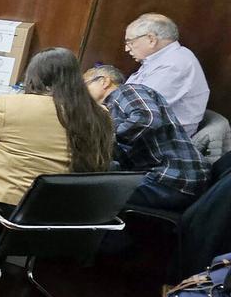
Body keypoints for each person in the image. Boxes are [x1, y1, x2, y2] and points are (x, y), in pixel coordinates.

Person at [0, 49, 113, 286]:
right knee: (12, 195)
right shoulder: (100, 115)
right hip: (58, 219)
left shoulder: (10, 105)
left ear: (34, 75)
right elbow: (100, 163)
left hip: (8, 214)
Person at [84, 64, 209, 210]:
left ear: (104, 81)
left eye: (84, 85)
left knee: (89, 193)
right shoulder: (111, 109)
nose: (80, 92)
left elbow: (147, 118)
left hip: (172, 178)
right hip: (175, 180)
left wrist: (107, 138)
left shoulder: (126, 91)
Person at [123, 13, 209, 137]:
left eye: (130, 42)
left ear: (151, 40)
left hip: (159, 139)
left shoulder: (175, 63)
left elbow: (139, 109)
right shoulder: (161, 59)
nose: (127, 49)